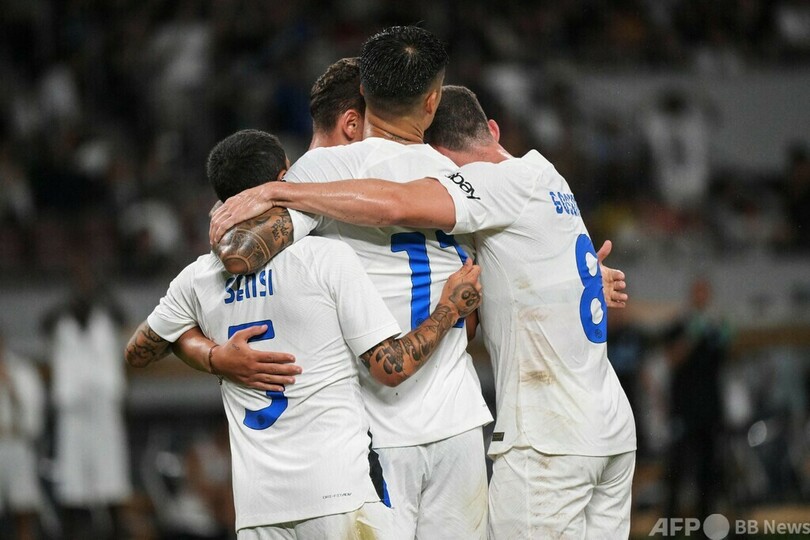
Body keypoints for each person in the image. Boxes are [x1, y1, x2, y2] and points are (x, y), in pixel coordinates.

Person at [211, 86, 637, 538]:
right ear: (492, 129)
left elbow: (394, 203)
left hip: (544, 438)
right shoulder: (546, 173)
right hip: (606, 426)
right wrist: (582, 278)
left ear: (436, 155)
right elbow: (518, 276)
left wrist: (276, 191)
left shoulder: (472, 185)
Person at [125, 128, 483, 539]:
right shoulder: (325, 257)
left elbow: (137, 352)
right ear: (284, 177)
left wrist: (213, 357)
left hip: (259, 507)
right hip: (337, 496)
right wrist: (448, 309)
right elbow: (392, 366)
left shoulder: (198, 278)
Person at [209, 27, 494, 539]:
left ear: (364, 93)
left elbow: (242, 254)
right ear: (432, 101)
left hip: (374, 433)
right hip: (459, 422)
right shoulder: (460, 178)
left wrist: (252, 203)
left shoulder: (322, 170)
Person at [41, 262, 132, 540]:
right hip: (72, 408)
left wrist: (102, 291)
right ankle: (73, 530)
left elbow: (126, 318)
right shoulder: (61, 319)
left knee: (111, 477)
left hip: (104, 404)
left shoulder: (106, 315)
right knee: (72, 481)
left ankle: (115, 531)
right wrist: (69, 301)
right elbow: (43, 324)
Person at [664, 277, 729, 521]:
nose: (701, 297)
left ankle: (705, 525)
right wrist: (692, 335)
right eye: (697, 292)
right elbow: (672, 359)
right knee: (677, 470)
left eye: (704, 292)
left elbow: (724, 359)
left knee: (708, 472)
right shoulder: (679, 325)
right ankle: (670, 526)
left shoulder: (716, 327)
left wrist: (719, 332)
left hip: (709, 410)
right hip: (683, 409)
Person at [0, 331, 46, 540]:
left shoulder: (21, 370)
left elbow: (33, 417)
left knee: (24, 507)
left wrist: (10, 386)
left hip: (16, 442)